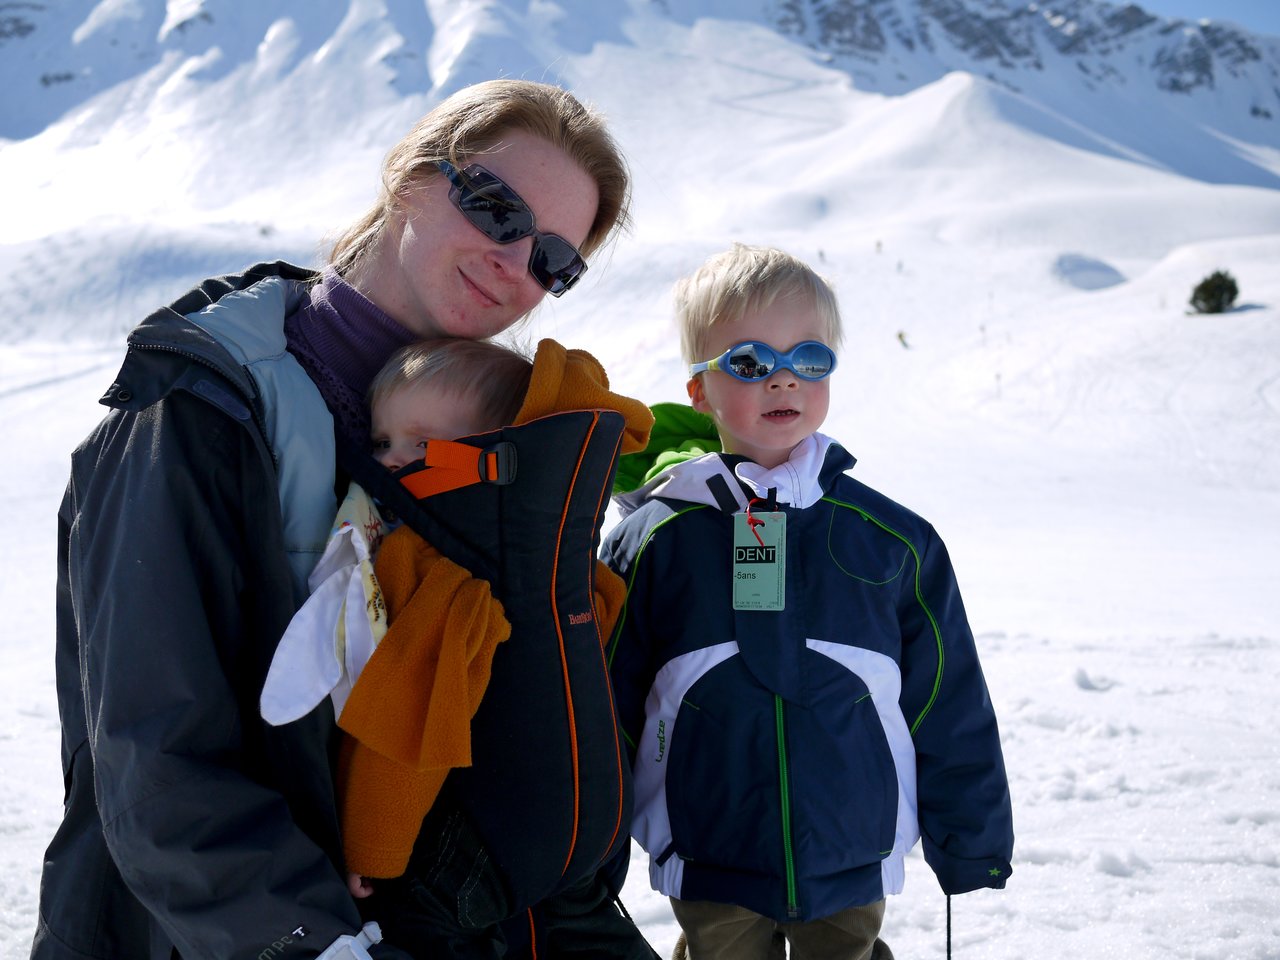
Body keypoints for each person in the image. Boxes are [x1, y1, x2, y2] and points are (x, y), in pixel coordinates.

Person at [33, 78, 631, 960]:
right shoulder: (199, 412)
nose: (516, 262)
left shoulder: (504, 440)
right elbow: (157, 763)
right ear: (411, 178)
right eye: (498, 210)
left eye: (554, 260)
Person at [602, 244, 1015, 960]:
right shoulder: (655, 542)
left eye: (809, 360)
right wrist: (587, 846)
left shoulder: (891, 542)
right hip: (709, 847)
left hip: (851, 848)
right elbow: (604, 705)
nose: (783, 379)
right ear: (699, 391)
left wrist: (969, 837)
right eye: (751, 363)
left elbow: (947, 699)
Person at [261, 336, 656, 959]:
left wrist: (373, 845)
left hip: (489, 842)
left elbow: (407, 722)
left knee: (418, 918)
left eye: (420, 445)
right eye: (382, 442)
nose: (391, 462)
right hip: (592, 824)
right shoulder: (557, 547)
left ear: (489, 452)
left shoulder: (433, 568)